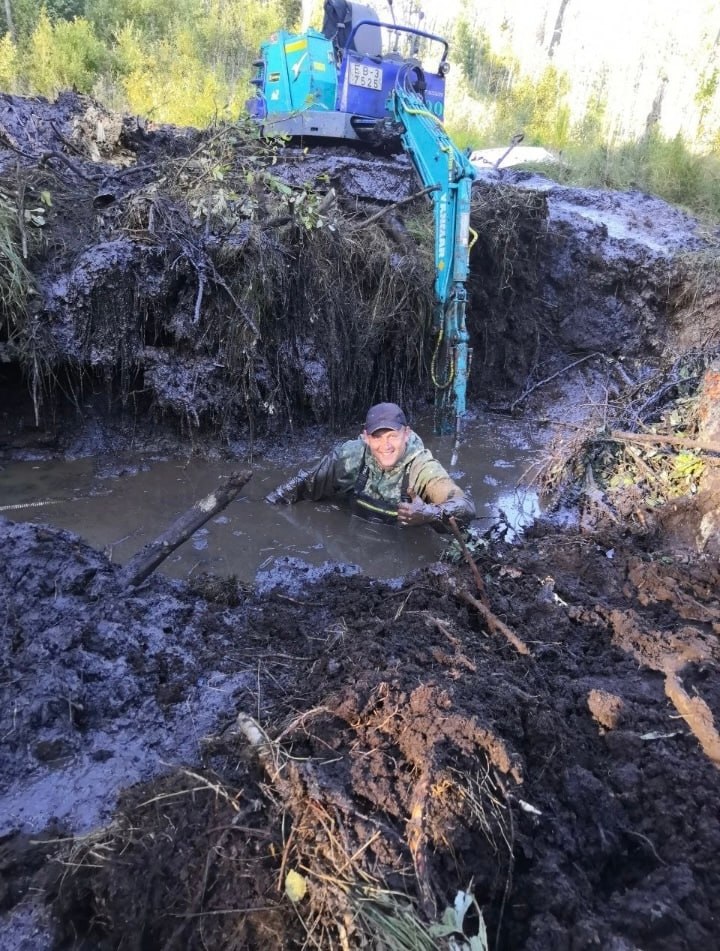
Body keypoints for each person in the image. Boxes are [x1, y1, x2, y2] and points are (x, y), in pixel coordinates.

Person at [265, 402, 475, 531]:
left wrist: (430, 513)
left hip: (401, 549)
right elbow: (303, 484)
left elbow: (465, 506)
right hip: (356, 540)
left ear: (407, 434)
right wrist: (263, 510)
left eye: (393, 436)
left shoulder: (422, 468)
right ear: (366, 437)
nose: (386, 445)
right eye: (377, 437)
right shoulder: (350, 456)